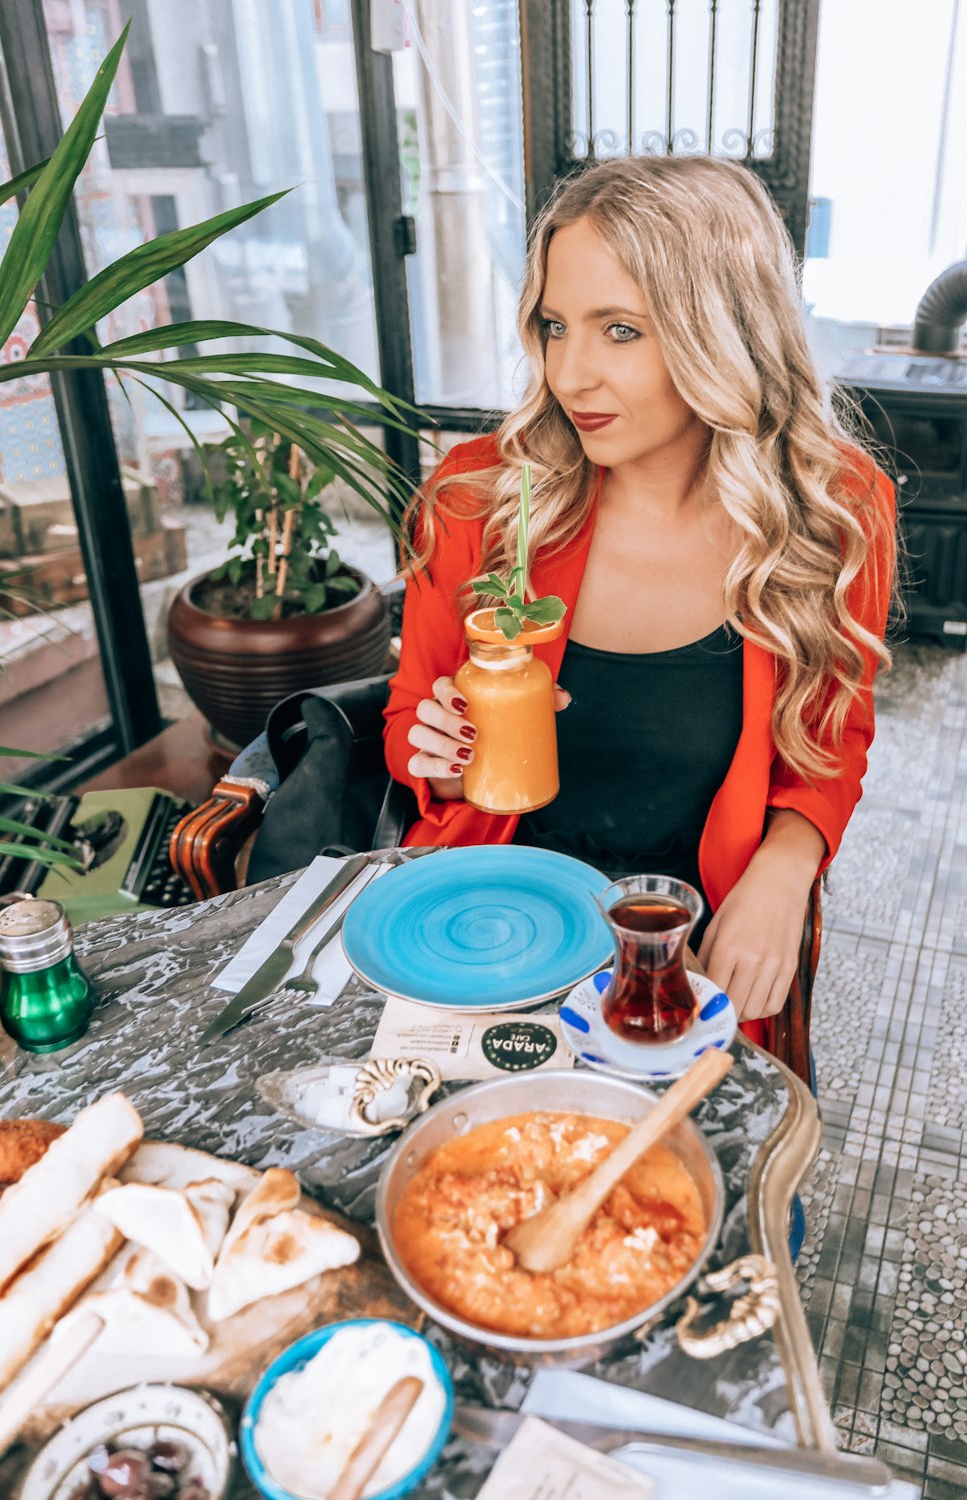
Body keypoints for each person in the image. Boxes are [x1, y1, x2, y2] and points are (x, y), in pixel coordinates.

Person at [382, 154, 896, 1052]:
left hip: (686, 947)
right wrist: (444, 757)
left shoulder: (830, 509)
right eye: (553, 325)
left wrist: (785, 866)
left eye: (620, 330)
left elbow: (832, 738)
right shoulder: (477, 501)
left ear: (721, 331)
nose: (570, 374)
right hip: (494, 936)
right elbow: (409, 722)